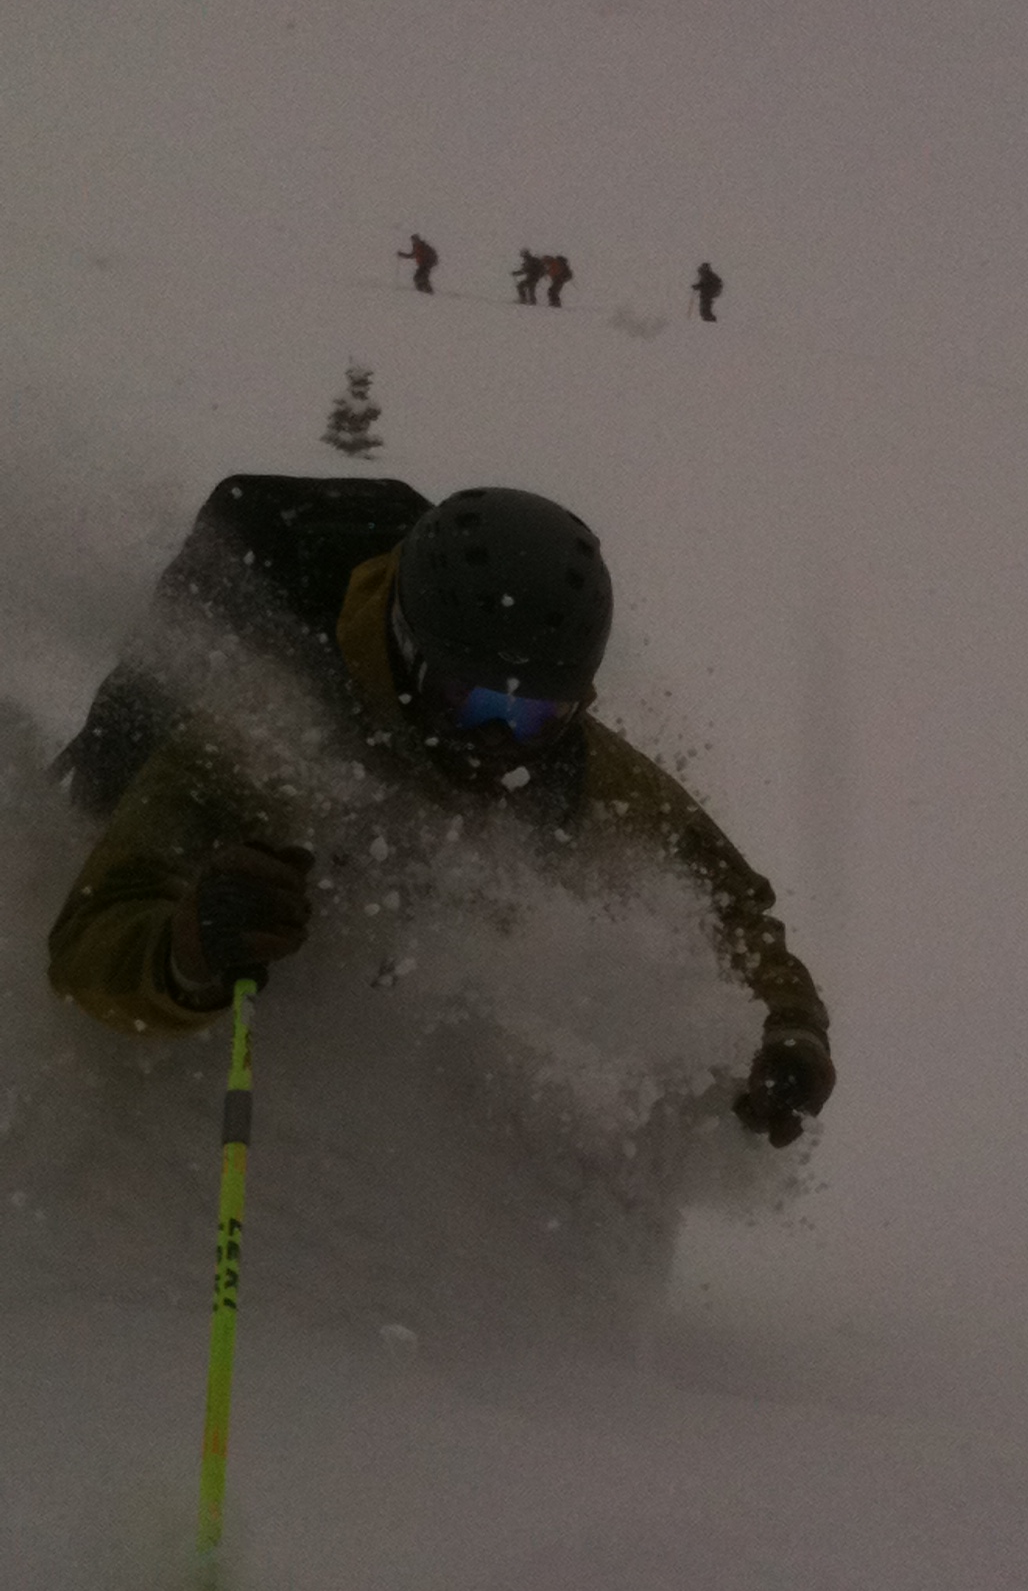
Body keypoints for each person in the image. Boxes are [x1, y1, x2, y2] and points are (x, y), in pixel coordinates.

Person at [48, 477, 834, 1155]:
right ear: (406, 647)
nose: (497, 740)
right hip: (186, 863)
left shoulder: (568, 758)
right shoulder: (263, 717)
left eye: (533, 715)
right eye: (470, 701)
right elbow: (89, 930)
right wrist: (189, 948)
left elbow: (721, 895)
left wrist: (787, 1023)